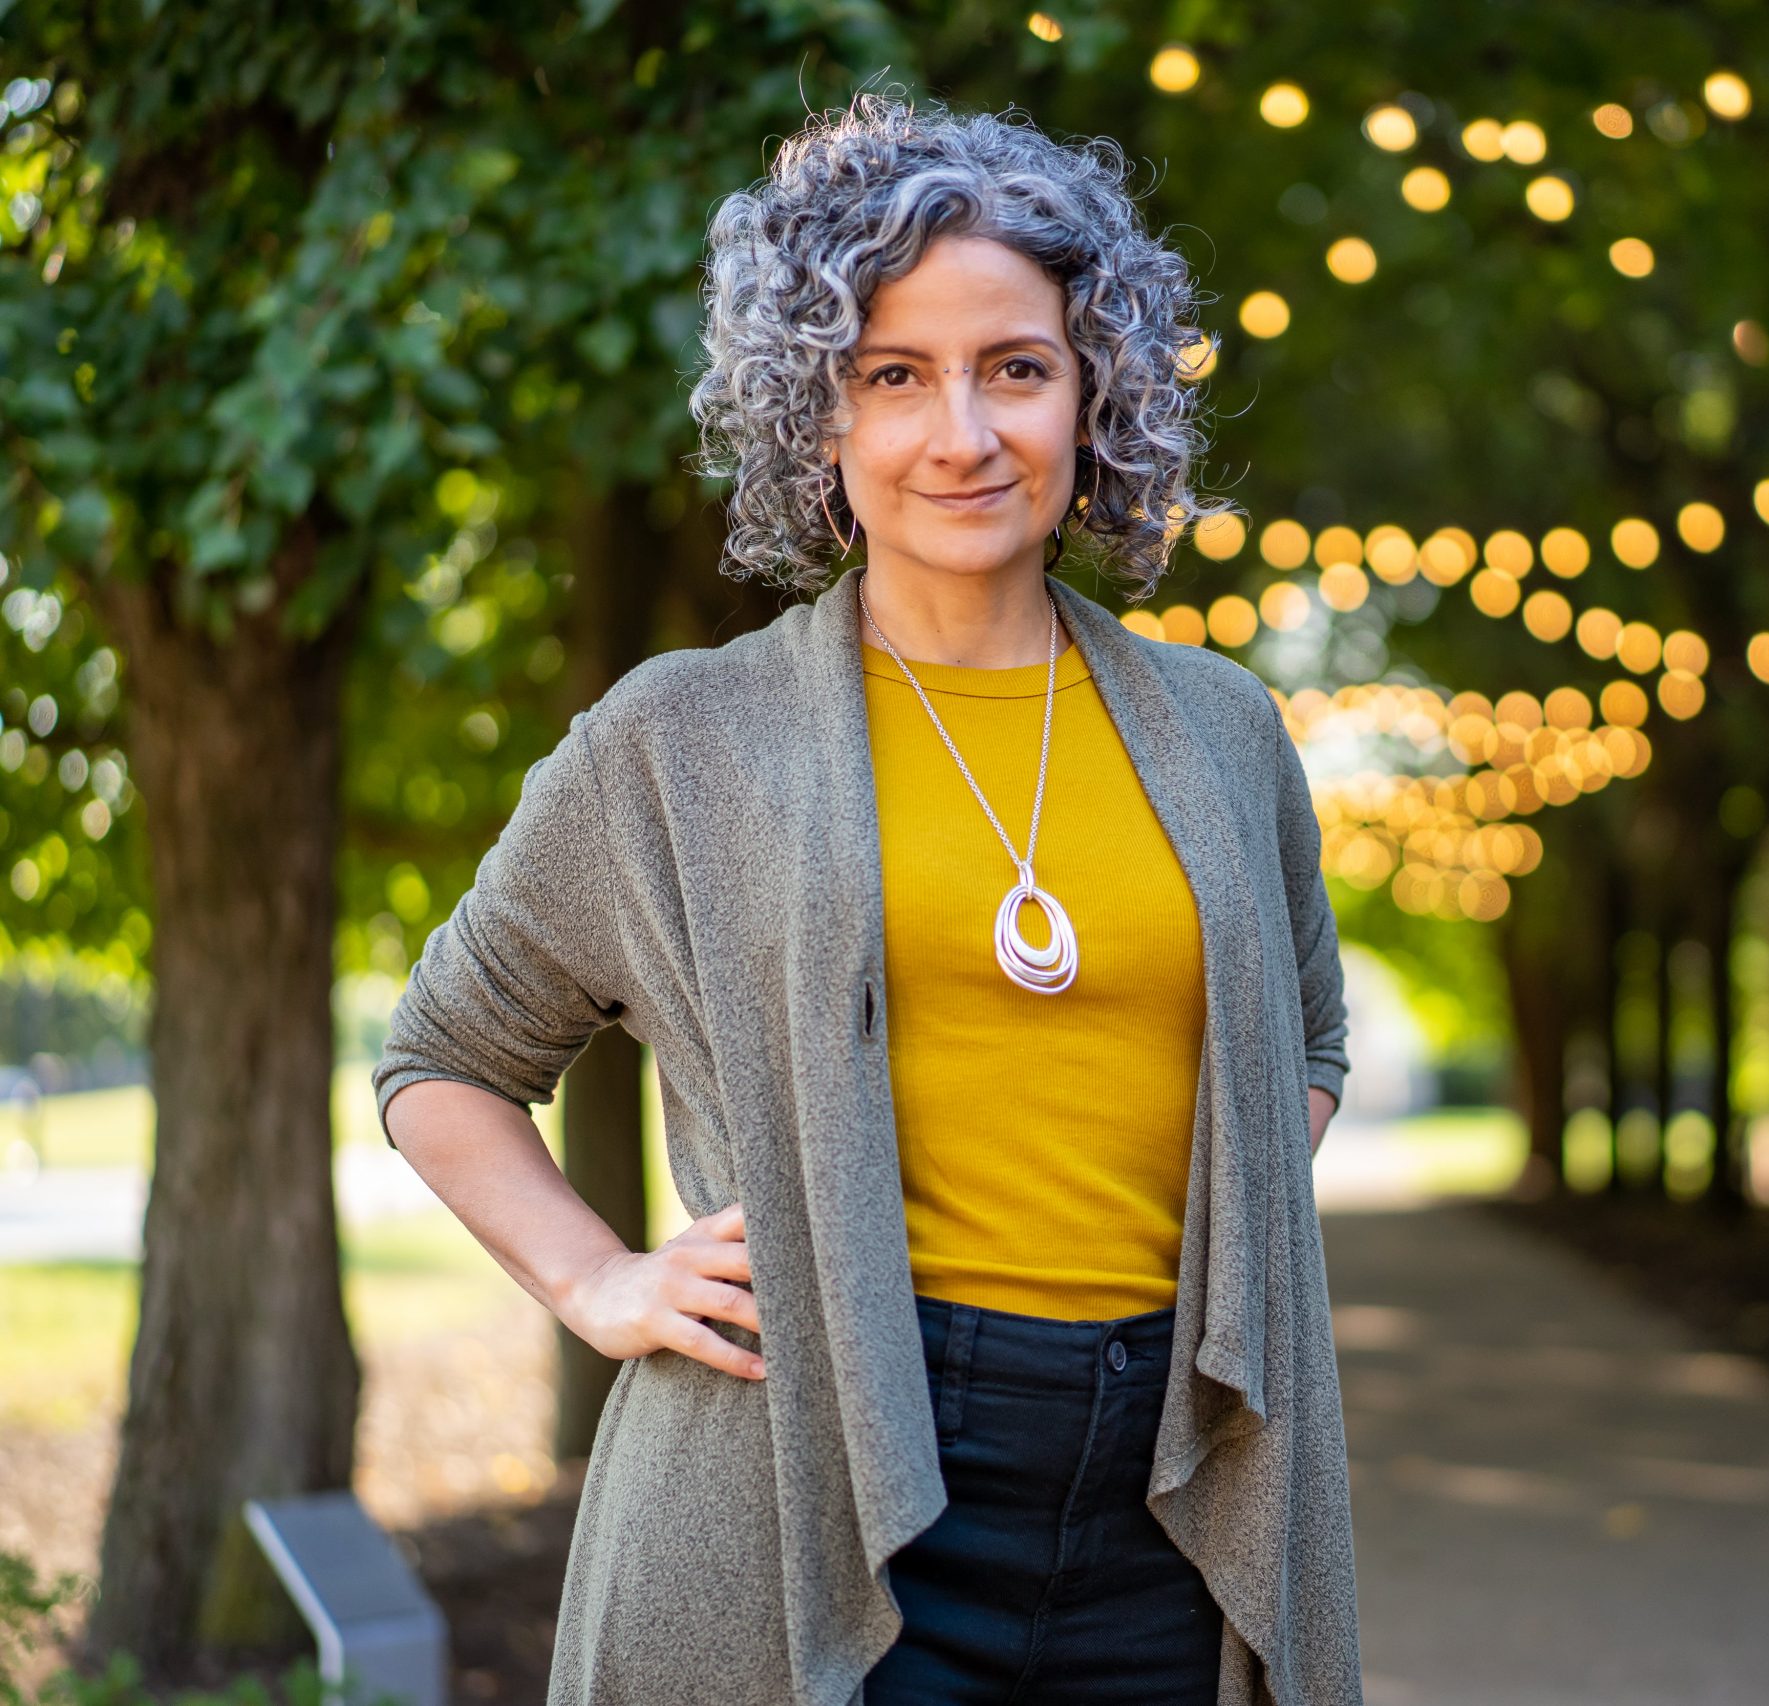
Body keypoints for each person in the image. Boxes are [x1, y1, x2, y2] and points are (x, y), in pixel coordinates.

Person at [375, 92, 1363, 1706]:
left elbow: (1306, 1046)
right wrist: (599, 1281)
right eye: (892, 374)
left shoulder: (1225, 730)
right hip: (810, 1475)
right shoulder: (679, 740)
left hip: (1174, 1485)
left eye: (1015, 369)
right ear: (814, 415)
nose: (960, 433)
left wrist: (1203, 1238)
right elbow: (442, 1061)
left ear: (1094, 392)